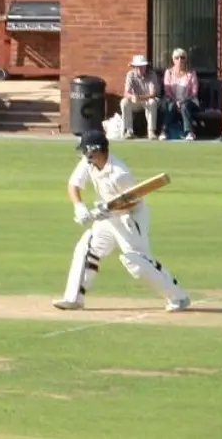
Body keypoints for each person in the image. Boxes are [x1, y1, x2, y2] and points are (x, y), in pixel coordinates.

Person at [54, 132, 191, 313]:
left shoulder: (120, 173)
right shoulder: (88, 163)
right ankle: (74, 299)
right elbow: (73, 185)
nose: (83, 155)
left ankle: (178, 297)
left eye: (86, 151)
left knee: (135, 261)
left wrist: (107, 210)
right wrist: (79, 206)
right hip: (107, 217)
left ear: (95, 150)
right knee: (86, 249)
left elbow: (133, 199)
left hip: (130, 218)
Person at [160, 48, 199, 140]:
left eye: (182, 57)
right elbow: (167, 90)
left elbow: (194, 91)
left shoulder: (191, 73)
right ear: (173, 60)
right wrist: (176, 101)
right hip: (172, 99)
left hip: (189, 100)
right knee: (170, 105)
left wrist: (182, 101)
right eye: (177, 58)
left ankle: (189, 132)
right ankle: (164, 131)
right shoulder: (168, 72)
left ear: (185, 59)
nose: (180, 60)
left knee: (185, 106)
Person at [119, 54, 159, 139]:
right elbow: (126, 93)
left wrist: (140, 97)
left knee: (152, 102)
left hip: (148, 99)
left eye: (141, 66)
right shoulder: (130, 74)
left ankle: (151, 131)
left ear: (145, 66)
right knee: (124, 102)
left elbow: (153, 94)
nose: (139, 69)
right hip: (135, 100)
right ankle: (129, 131)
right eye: (137, 67)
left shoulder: (152, 74)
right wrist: (132, 96)